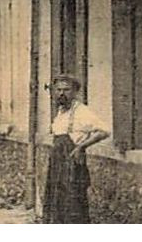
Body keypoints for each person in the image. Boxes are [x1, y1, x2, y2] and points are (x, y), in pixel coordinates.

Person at [42, 74, 110, 223]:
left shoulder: (81, 111)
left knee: (73, 201)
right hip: (58, 162)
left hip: (72, 163)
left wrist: (81, 146)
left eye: (66, 90)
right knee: (56, 200)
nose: (61, 93)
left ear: (75, 92)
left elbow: (104, 131)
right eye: (58, 89)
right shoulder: (61, 111)